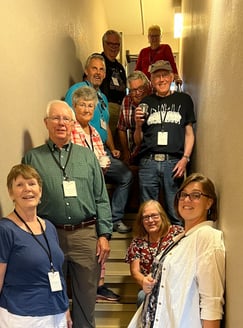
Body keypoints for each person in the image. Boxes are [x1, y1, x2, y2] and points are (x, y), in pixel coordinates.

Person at [22, 100, 112, 328]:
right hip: (49, 236)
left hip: (85, 235)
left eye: (66, 119)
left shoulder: (87, 156)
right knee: (51, 294)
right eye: (56, 118)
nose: (61, 123)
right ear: (46, 123)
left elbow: (101, 197)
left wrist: (104, 234)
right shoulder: (33, 158)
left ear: (73, 124)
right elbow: (26, 199)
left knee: (86, 298)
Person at [134, 173, 225, 328]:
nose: (187, 200)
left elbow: (212, 302)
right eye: (183, 195)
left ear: (209, 202)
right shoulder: (181, 238)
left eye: (195, 195)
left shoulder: (206, 236)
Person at [65, 53, 133, 234]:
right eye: (94, 68)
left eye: (101, 69)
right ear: (86, 71)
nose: (98, 72)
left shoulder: (101, 97)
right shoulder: (78, 90)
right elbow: (68, 116)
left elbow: (106, 127)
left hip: (101, 151)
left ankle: (114, 219)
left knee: (126, 176)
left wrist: (112, 148)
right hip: (82, 152)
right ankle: (96, 223)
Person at [0, 164, 72, 328]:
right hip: (21, 316)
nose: (27, 189)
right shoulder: (5, 229)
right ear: (11, 193)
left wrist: (65, 307)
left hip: (56, 312)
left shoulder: (49, 227)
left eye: (32, 183)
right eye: (19, 185)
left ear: (40, 190)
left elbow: (58, 272)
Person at [71, 85, 120, 302]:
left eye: (90, 106)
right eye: (82, 105)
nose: (87, 109)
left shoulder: (94, 133)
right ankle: (86, 286)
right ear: (74, 106)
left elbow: (100, 159)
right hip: (79, 194)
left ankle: (99, 284)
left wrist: (104, 164)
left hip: (96, 191)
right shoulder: (71, 130)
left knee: (102, 236)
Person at [134, 59, 196, 225]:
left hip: (174, 163)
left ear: (171, 77)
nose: (161, 80)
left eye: (164, 75)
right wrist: (138, 126)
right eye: (156, 76)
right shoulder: (145, 103)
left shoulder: (184, 100)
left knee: (176, 210)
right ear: (152, 80)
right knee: (148, 213)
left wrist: (185, 159)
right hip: (148, 162)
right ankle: (150, 248)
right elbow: (138, 140)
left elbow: (189, 133)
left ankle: (176, 248)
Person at [125, 199, 184, 307]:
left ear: (162, 216)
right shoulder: (137, 242)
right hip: (151, 286)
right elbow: (134, 271)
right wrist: (144, 281)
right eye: (146, 217)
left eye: (154, 216)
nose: (150, 220)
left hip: (175, 285)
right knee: (142, 297)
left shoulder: (177, 233)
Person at [117, 70, 152, 165]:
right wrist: (126, 151)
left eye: (140, 88)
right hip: (135, 150)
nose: (137, 93)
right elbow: (121, 128)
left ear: (147, 87)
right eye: (133, 90)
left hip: (152, 150)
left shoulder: (154, 98)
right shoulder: (127, 100)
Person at [100, 30, 127, 141]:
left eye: (117, 44)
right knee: (106, 142)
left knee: (118, 145)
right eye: (110, 44)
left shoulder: (120, 67)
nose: (114, 47)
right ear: (104, 44)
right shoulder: (98, 60)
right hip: (105, 107)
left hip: (120, 110)